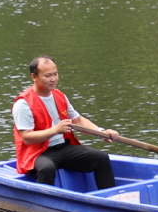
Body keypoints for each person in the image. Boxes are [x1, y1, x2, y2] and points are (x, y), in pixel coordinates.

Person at [13, 56, 120, 190]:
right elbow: (27, 138)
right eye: (47, 75)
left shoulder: (59, 95)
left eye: (55, 74)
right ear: (34, 77)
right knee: (47, 168)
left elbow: (78, 120)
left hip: (63, 147)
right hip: (38, 153)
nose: (53, 79)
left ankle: (108, 200)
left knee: (101, 158)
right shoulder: (23, 103)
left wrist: (101, 132)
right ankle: (46, 205)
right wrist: (55, 130)